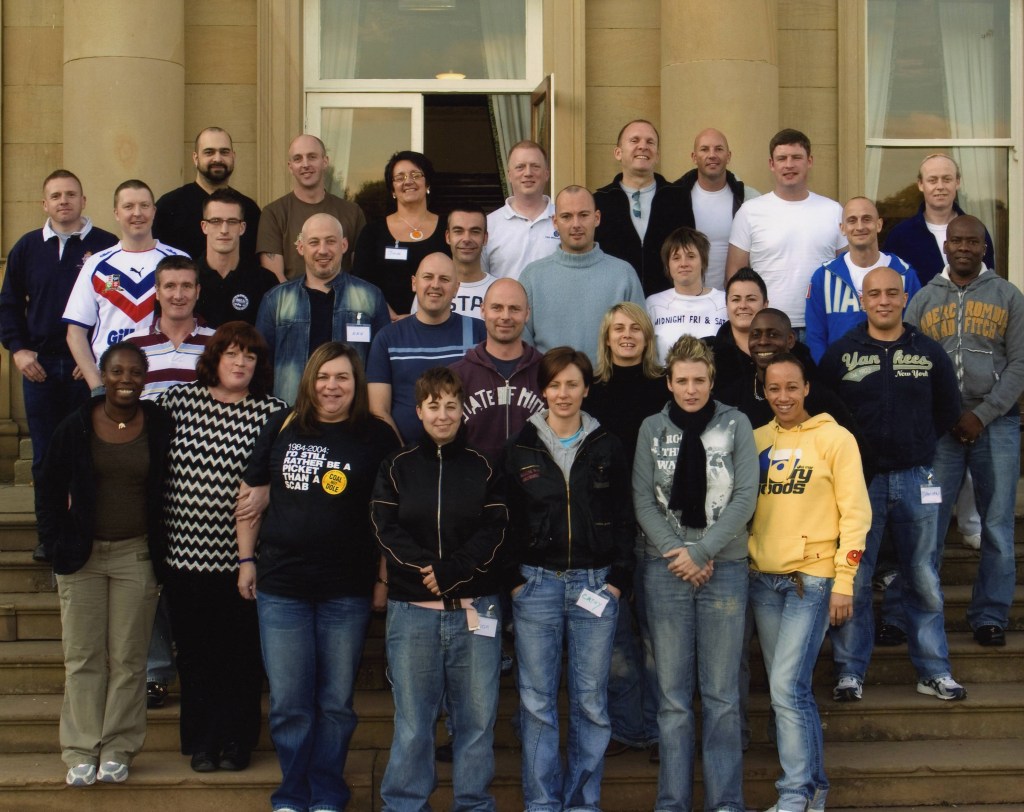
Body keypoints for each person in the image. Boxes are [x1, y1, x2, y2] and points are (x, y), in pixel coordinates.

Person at [237, 342, 400, 812]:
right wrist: (246, 560)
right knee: (289, 701)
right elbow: (250, 497)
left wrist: (384, 579)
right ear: (310, 381)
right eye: (324, 377)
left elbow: (390, 517)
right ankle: (293, 791)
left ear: (357, 384)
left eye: (343, 378)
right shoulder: (284, 425)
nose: (332, 387)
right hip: (282, 586)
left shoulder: (376, 436)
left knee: (334, 702)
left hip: (346, 589)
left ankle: (327, 790)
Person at [819, 267, 966, 701]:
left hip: (918, 478)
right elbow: (825, 414)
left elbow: (948, 410)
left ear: (905, 299)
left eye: (891, 293)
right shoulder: (841, 355)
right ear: (862, 302)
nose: (883, 300)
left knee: (923, 576)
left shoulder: (929, 352)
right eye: (874, 294)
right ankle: (849, 671)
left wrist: (916, 444)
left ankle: (934, 670)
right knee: (857, 578)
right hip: (857, 484)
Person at [505, 347, 635, 812]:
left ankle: (582, 802)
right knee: (537, 703)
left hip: (594, 585)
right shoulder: (520, 447)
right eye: (555, 384)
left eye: (572, 384)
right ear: (543, 389)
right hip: (535, 586)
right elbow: (505, 521)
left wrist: (617, 579)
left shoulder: (608, 445)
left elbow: (625, 515)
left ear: (585, 388)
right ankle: (542, 803)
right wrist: (514, 582)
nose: (563, 393)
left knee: (590, 703)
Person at [37, 341, 173, 787]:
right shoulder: (75, 425)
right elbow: (49, 489)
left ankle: (117, 747)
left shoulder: (158, 424)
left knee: (130, 659)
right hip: (83, 557)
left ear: (145, 377)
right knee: (83, 657)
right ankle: (80, 749)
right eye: (117, 372)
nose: (127, 380)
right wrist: (55, 544)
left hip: (136, 555)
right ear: (103, 374)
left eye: (136, 373)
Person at [371, 367, 507, 811]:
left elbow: (496, 527)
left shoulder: (484, 465)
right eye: (434, 406)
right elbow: (383, 526)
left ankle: (472, 803)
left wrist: (456, 570)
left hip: (476, 609)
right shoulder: (397, 465)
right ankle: (406, 803)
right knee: (414, 720)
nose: (443, 414)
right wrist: (429, 569)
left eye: (451, 405)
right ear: (419, 411)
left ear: (463, 409)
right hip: (413, 612)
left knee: (477, 720)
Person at [633, 335, 758, 811]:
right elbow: (643, 499)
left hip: (723, 568)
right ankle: (673, 802)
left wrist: (703, 550)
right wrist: (680, 553)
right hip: (666, 570)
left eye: (699, 380)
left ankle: (726, 802)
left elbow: (745, 496)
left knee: (722, 696)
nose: (690, 389)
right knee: (672, 698)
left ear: (712, 381)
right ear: (669, 382)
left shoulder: (736, 423)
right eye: (681, 381)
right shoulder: (651, 429)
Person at [159, 322, 286, 771]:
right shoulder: (177, 403)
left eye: (249, 357)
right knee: (195, 653)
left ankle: (237, 741)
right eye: (232, 354)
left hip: (242, 561)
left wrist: (269, 491)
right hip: (183, 556)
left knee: (241, 654)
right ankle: (202, 741)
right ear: (214, 358)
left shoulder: (273, 412)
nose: (240, 363)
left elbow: (284, 475)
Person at [749, 353, 869, 812]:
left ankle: (795, 793)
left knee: (785, 686)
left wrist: (845, 580)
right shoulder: (757, 439)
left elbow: (856, 514)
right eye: (774, 388)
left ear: (806, 389)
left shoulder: (836, 438)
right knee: (791, 690)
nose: (783, 397)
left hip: (812, 580)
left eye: (791, 387)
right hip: (763, 578)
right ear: (764, 391)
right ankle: (814, 791)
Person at [905, 214, 1024, 649]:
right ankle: (921, 611)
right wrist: (946, 413)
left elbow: (1020, 365)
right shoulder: (922, 299)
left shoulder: (1009, 296)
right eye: (957, 240)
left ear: (984, 247)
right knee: (929, 524)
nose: (964, 248)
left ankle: (990, 615)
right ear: (946, 246)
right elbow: (912, 365)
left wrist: (985, 413)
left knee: (996, 525)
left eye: (973, 241)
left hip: (998, 425)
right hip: (942, 429)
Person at [0, 169, 117, 562]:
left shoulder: (106, 247)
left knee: (91, 453)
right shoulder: (27, 248)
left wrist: (94, 360)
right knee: (46, 456)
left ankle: (87, 532)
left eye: (71, 194)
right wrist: (18, 350)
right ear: (44, 204)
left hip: (88, 368)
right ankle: (49, 537)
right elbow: (9, 305)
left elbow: (115, 311)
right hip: (41, 367)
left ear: (84, 201)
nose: (63, 201)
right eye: (56, 195)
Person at [585, 302, 667, 760]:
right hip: (606, 526)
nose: (627, 335)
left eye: (635, 327)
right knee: (613, 638)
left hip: (657, 525)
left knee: (656, 638)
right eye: (618, 328)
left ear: (647, 335)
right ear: (607, 336)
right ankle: (626, 726)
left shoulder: (664, 387)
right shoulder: (592, 391)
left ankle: (656, 729)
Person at [63, 179, 189, 391]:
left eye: (144, 206)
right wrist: (97, 387)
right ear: (116, 213)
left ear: (154, 211)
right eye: (128, 206)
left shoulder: (179, 260)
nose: (137, 213)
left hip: (169, 381)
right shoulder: (97, 264)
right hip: (114, 384)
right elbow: (75, 333)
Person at [256, 213, 390, 404]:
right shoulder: (275, 300)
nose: (323, 250)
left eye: (330, 241)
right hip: (291, 415)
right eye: (314, 242)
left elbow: (381, 368)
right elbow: (262, 367)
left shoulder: (370, 297)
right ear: (301, 248)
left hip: (351, 419)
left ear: (344, 245)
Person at [726, 129, 847, 333]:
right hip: (767, 326)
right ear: (772, 164)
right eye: (782, 158)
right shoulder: (750, 212)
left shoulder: (833, 211)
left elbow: (846, 271)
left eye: (796, 157)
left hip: (822, 325)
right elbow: (734, 274)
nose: (789, 165)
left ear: (809, 161)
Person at [367, 253, 486, 443]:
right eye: (428, 277)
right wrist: (402, 456)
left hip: (466, 457)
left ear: (457, 288)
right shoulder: (388, 338)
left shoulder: (479, 332)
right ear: (414, 283)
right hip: (404, 457)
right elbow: (379, 410)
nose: (435, 285)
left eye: (444, 279)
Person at [520, 186, 645, 360]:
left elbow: (641, 337)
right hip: (552, 384)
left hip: (611, 384)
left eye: (583, 215)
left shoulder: (623, 275)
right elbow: (522, 345)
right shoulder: (532, 277)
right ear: (555, 222)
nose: (576, 224)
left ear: (597, 218)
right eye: (566, 217)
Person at [805, 196, 921, 363]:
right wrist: (828, 373)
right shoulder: (824, 276)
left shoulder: (904, 274)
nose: (860, 227)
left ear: (879, 224)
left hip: (892, 372)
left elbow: (913, 330)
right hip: (840, 377)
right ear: (842, 228)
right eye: (852, 220)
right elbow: (816, 335)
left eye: (866, 219)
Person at [593, 119, 693, 297]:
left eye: (650, 142)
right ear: (618, 152)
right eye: (634, 140)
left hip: (668, 303)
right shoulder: (600, 201)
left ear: (657, 155)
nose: (643, 146)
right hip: (616, 303)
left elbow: (689, 251)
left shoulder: (678, 198)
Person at [449, 278, 545, 462]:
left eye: (514, 309)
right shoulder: (457, 376)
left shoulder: (547, 372)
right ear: (483, 310)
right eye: (497, 307)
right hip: (476, 485)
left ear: (527, 314)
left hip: (534, 486)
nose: (505, 316)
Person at [257, 134, 366, 282]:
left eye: (312, 157)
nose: (305, 164)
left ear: (325, 161)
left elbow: (361, 272)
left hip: (343, 303)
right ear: (290, 167)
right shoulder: (274, 213)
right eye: (298, 159)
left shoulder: (352, 212)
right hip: (292, 303)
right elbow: (274, 277)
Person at [352, 150, 449, 317]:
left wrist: (422, 319)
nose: (408, 181)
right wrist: (392, 317)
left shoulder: (448, 228)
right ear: (392, 190)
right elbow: (362, 283)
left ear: (427, 184)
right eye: (400, 177)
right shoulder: (373, 233)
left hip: (439, 322)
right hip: (387, 325)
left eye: (416, 175)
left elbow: (460, 277)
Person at [153, 126, 261, 262]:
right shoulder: (168, 207)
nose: (217, 159)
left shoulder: (249, 209)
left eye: (224, 152)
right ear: (195, 158)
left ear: (233, 156)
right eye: (209, 152)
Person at [884, 154, 995, 286]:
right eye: (932, 180)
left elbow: (989, 283)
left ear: (957, 182)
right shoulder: (900, 236)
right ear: (920, 184)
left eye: (947, 179)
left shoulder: (976, 231)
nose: (940, 186)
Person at [674, 128, 760, 289]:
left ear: (728, 156)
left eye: (719, 149)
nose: (712, 155)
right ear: (694, 157)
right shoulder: (674, 199)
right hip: (685, 300)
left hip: (733, 302)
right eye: (704, 149)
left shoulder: (750, 199)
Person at [128, 256, 215, 400]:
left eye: (186, 286)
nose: (178, 295)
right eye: (170, 286)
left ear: (197, 291)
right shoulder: (132, 345)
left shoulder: (218, 343)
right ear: (157, 291)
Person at [195, 188, 278, 327]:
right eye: (216, 221)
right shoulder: (188, 278)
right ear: (204, 226)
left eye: (232, 221)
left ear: (242, 227)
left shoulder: (265, 281)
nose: (224, 230)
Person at [645, 226, 728, 362]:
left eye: (691, 256)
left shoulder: (724, 302)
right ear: (668, 265)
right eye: (676, 258)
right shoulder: (653, 304)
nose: (683, 263)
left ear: (703, 261)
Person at [481, 140, 559, 280]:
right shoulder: (489, 225)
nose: (528, 173)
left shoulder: (565, 220)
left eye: (535, 166)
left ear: (546, 174)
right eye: (520, 167)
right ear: (509, 175)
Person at [411, 205, 496, 319]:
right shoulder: (430, 290)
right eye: (458, 231)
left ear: (485, 238)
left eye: (475, 231)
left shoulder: (498, 290)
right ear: (448, 237)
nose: (466, 239)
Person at [710, 266, 769, 396]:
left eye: (751, 299)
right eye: (736, 299)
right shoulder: (706, 353)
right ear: (726, 306)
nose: (743, 306)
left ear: (765, 305)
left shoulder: (789, 350)